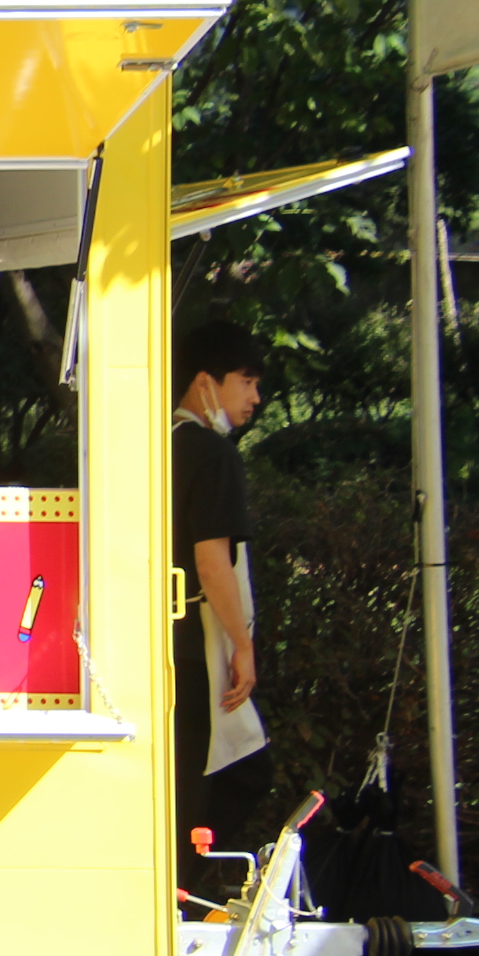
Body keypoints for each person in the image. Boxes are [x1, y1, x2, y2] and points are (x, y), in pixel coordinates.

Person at [172, 318, 274, 897]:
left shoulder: (155, 446)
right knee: (229, 775)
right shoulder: (212, 454)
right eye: (246, 380)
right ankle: (182, 897)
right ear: (205, 381)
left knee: (189, 778)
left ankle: (179, 894)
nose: (255, 397)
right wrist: (244, 645)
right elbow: (214, 562)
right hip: (196, 643)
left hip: (153, 637)